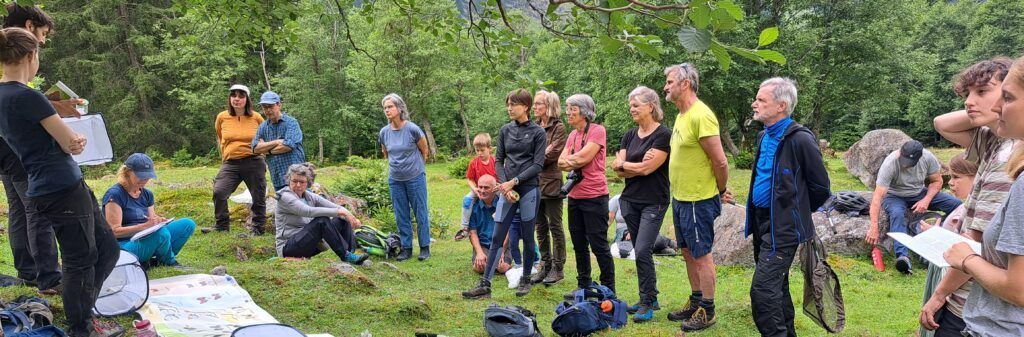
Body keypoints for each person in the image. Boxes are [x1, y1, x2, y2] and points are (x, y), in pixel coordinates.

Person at [0, 27, 122, 337]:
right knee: (80, 260)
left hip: (51, 183)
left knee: (107, 249)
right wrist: (78, 138)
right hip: (59, 184)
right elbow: (71, 143)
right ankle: (80, 329)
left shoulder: (4, 95)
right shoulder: (29, 95)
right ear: (31, 56)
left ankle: (84, 311)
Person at [925, 58, 1017, 337]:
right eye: (967, 94)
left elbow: (977, 241)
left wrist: (940, 294)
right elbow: (942, 123)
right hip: (975, 297)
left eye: (982, 91)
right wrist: (994, 109)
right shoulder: (993, 140)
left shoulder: (1008, 160)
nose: (968, 102)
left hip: (971, 303)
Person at [745, 77, 831, 337]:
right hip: (761, 222)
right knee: (777, 286)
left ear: (781, 105)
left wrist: (795, 211)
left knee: (762, 291)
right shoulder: (763, 136)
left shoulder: (800, 139)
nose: (754, 104)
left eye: (761, 100)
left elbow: (821, 188)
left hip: (783, 227)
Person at [0, 2, 75, 296]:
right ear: (30, 27)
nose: (43, 42)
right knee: (35, 210)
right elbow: (18, 98)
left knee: (19, 208)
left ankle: (28, 271)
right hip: (18, 149)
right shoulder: (15, 51)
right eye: (42, 34)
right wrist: (54, 111)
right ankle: (49, 277)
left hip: (4, 148)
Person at [662, 63, 731, 331]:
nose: (665, 87)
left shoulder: (701, 115)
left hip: (698, 199)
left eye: (669, 82)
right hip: (680, 197)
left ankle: (708, 311)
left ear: (685, 84)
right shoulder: (682, 115)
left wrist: (720, 190)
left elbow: (721, 162)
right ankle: (696, 301)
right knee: (688, 252)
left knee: (702, 255)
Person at [463, 89, 546, 299]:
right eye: (508, 104)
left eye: (513, 104)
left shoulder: (538, 132)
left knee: (527, 237)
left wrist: (514, 182)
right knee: (497, 236)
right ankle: (485, 285)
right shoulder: (505, 130)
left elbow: (538, 165)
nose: (509, 108)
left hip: (527, 190)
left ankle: (526, 279)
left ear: (525, 107)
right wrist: (503, 185)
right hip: (506, 190)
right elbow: (499, 160)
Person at [609, 86, 672, 322]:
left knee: (643, 250)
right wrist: (631, 167)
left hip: (653, 201)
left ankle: (646, 301)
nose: (631, 109)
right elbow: (618, 170)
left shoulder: (663, 135)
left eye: (636, 105)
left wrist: (626, 165)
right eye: (631, 106)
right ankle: (651, 297)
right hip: (630, 200)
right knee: (638, 250)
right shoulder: (629, 135)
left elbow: (647, 168)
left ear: (651, 107)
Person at [865, 139, 962, 274]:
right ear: (900, 153)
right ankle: (903, 257)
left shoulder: (928, 158)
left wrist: (926, 200)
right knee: (898, 214)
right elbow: (877, 197)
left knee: (958, 206)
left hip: (919, 193)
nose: (905, 166)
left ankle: (948, 240)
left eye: (909, 164)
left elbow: (937, 181)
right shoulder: (890, 163)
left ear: (919, 157)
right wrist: (873, 226)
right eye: (904, 161)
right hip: (894, 196)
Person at [559, 93, 615, 295]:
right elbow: (561, 161)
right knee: (579, 243)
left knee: (598, 244)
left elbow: (584, 157)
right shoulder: (572, 135)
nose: (568, 112)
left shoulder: (598, 131)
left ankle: (608, 288)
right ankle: (584, 285)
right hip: (575, 196)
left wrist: (572, 160)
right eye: (567, 108)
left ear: (584, 111)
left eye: (572, 108)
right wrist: (573, 160)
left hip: (595, 196)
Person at [102, 153, 196, 268]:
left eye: (147, 176)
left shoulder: (147, 194)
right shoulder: (115, 195)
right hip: (123, 245)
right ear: (127, 172)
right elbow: (114, 232)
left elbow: (151, 220)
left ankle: (155, 259)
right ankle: (170, 262)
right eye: (140, 176)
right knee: (161, 234)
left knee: (187, 224)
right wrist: (145, 226)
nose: (144, 180)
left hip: (145, 237)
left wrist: (158, 221)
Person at [917, 153, 976, 337]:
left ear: (978, 177)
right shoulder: (965, 206)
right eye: (950, 177)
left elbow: (967, 251)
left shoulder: (977, 212)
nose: (951, 183)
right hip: (951, 289)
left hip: (961, 301)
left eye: (957, 177)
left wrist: (939, 295)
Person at [275, 163, 368, 265]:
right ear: (289, 180)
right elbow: (307, 211)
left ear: (307, 183)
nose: (298, 185)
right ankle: (345, 255)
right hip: (289, 247)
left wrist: (350, 216)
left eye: (301, 182)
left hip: (307, 243)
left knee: (342, 219)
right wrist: (339, 212)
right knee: (322, 220)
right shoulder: (284, 197)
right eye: (294, 181)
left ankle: (351, 255)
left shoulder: (308, 196)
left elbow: (334, 206)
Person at [379, 93, 432, 261]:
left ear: (399, 108)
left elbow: (425, 151)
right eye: (385, 108)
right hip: (395, 180)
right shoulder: (384, 132)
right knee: (401, 214)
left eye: (390, 107)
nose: (387, 110)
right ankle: (406, 248)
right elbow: (385, 153)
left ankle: (424, 248)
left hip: (415, 177)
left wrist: (415, 168)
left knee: (420, 212)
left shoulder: (413, 129)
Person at [212, 84, 267, 235]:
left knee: (258, 196)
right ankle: (222, 226)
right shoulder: (222, 117)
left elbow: (265, 137)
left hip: (254, 161)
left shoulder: (256, 117)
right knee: (219, 192)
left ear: (247, 99)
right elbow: (221, 138)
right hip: (230, 163)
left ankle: (258, 228)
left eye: (241, 96)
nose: (237, 99)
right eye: (233, 95)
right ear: (229, 98)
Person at [530, 89, 568, 285]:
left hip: (552, 183)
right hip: (534, 183)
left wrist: (537, 155)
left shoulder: (559, 128)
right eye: (534, 104)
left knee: (555, 226)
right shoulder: (534, 127)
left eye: (538, 104)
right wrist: (539, 153)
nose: (534, 107)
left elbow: (551, 157)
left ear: (549, 106)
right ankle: (544, 265)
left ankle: (558, 268)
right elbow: (527, 154)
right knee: (540, 227)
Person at [251, 91, 306, 192]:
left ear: (279, 105)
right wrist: (276, 142)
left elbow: (288, 145)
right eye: (264, 107)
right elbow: (254, 148)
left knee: (302, 205)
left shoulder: (291, 122)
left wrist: (266, 150)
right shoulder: (263, 127)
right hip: (277, 177)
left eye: (270, 106)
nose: (268, 110)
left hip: (297, 176)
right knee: (283, 206)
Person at [467, 175, 511, 275]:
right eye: (480, 187)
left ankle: (505, 259)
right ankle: (486, 258)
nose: (482, 191)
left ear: (494, 189)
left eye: (486, 188)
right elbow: (472, 232)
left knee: (502, 268)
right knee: (480, 268)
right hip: (483, 245)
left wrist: (501, 250)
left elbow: (509, 230)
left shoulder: (503, 204)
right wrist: (479, 252)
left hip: (501, 244)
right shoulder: (473, 206)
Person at [456, 133, 496, 240]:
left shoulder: (495, 161)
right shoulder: (474, 163)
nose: (479, 153)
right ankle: (464, 228)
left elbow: (501, 177)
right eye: (477, 150)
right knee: (467, 199)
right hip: (479, 189)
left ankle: (500, 215)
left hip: (494, 189)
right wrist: (475, 189)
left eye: (482, 150)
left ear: (490, 149)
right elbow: (470, 179)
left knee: (504, 198)